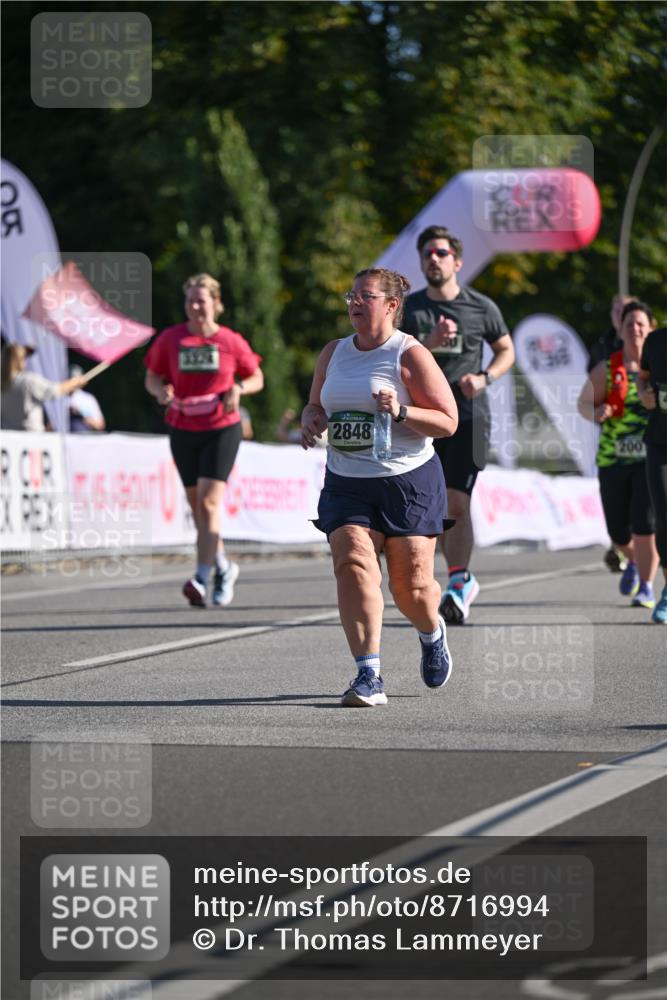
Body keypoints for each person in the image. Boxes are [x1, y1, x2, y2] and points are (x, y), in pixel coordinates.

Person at [301, 266, 458, 707]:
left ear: (391, 305)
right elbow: (316, 404)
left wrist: (402, 411)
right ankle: (368, 674)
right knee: (352, 564)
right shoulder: (333, 353)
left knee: (412, 588)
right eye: (351, 295)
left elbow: (448, 422)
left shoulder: (409, 355)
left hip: (407, 480)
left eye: (365, 297)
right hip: (347, 481)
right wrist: (311, 418)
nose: (354, 303)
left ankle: (431, 632)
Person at [402, 225, 515, 624]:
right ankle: (429, 583)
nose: (433, 258)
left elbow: (506, 350)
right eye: (427, 253)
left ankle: (458, 581)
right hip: (420, 419)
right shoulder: (410, 309)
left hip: (468, 418)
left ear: (457, 261)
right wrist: (428, 343)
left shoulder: (481, 307)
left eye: (440, 253)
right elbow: (393, 361)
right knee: (423, 508)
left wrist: (484, 377)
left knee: (456, 502)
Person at [144, 273, 264, 607]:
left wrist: (239, 388)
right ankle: (224, 567)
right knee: (198, 508)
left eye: (201, 299)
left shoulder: (230, 340)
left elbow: (256, 376)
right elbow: (152, 377)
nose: (195, 306)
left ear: (215, 302)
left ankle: (200, 577)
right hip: (183, 426)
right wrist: (161, 392)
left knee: (210, 503)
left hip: (221, 427)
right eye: (190, 300)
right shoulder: (171, 339)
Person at [578, 301, 659, 609]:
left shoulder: (660, 367)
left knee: (644, 524)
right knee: (618, 530)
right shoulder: (609, 368)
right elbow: (583, 403)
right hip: (612, 460)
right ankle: (635, 563)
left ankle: (647, 587)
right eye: (629, 324)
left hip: (649, 458)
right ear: (621, 331)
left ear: (651, 329)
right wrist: (597, 411)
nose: (635, 329)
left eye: (641, 324)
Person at [588, 292, 635, 574]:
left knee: (644, 509)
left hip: (648, 440)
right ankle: (622, 546)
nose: (620, 313)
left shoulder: (651, 346)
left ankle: (639, 562)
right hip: (613, 439)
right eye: (615, 309)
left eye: (625, 309)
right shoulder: (603, 347)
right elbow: (589, 391)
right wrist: (596, 409)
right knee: (617, 508)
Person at [638, 325, 667, 623]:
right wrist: (644, 392)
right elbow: (643, 377)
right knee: (664, 514)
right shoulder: (656, 340)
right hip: (660, 441)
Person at [1, 342, 87, 431]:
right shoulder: (28, 380)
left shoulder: (3, 383)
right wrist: (75, 382)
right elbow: (54, 390)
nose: (26, 360)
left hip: (8, 438)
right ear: (18, 360)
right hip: (30, 437)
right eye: (24, 357)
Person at [68, 364, 106, 432]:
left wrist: (81, 415)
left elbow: (100, 425)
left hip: (85, 438)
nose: (73, 383)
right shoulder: (58, 399)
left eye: (76, 379)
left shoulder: (88, 399)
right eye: (71, 379)